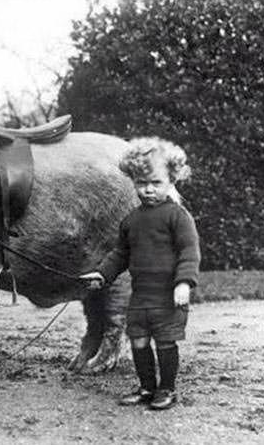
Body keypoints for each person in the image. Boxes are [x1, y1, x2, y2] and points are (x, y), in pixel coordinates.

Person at [80, 137, 200, 410]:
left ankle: (167, 389)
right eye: (141, 183)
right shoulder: (131, 220)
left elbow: (189, 252)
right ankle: (147, 387)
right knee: (139, 341)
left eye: (155, 183)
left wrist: (184, 283)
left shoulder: (178, 217)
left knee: (165, 343)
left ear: (172, 180)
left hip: (168, 296)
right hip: (141, 296)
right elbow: (120, 254)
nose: (147, 190)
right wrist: (102, 274)